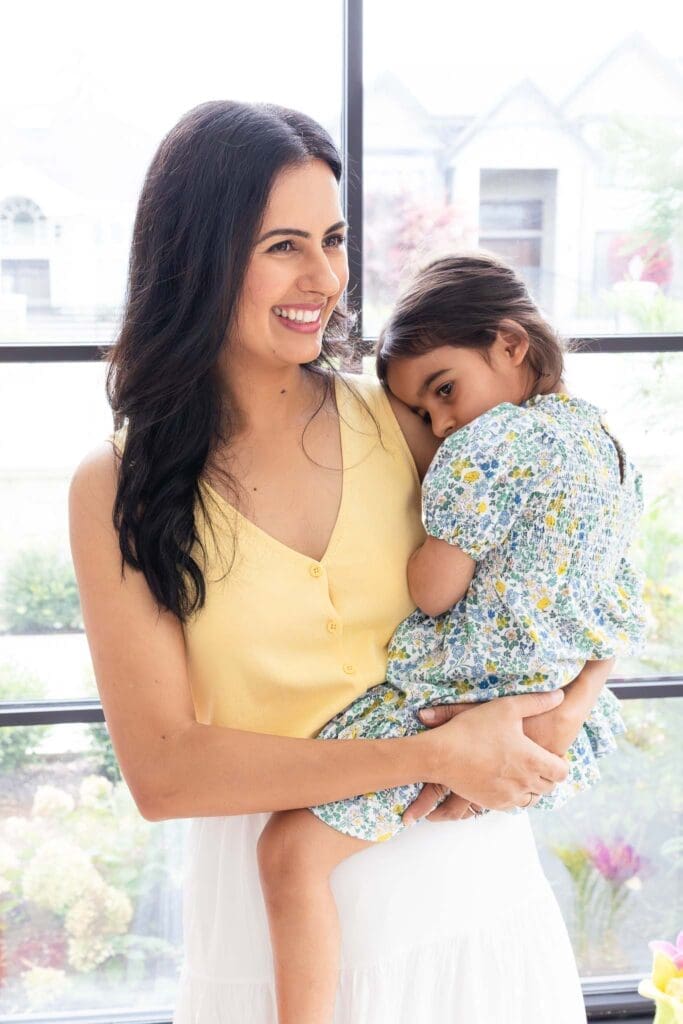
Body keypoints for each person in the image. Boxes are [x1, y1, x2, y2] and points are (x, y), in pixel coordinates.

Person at [69, 100, 611, 1024]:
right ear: (201, 257)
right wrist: (435, 750)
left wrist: (576, 703)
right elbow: (165, 774)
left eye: (333, 238)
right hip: (273, 954)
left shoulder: (410, 422)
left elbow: (575, 562)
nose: (323, 277)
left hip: (473, 908)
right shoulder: (118, 485)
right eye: (283, 244)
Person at [256, 252, 645, 1023]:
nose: (442, 426)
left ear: (509, 343)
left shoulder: (484, 449)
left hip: (462, 694)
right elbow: (620, 596)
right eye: (425, 414)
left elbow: (434, 590)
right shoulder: (606, 443)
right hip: (556, 708)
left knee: (288, 853)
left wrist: (418, 535)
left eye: (443, 391)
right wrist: (570, 705)